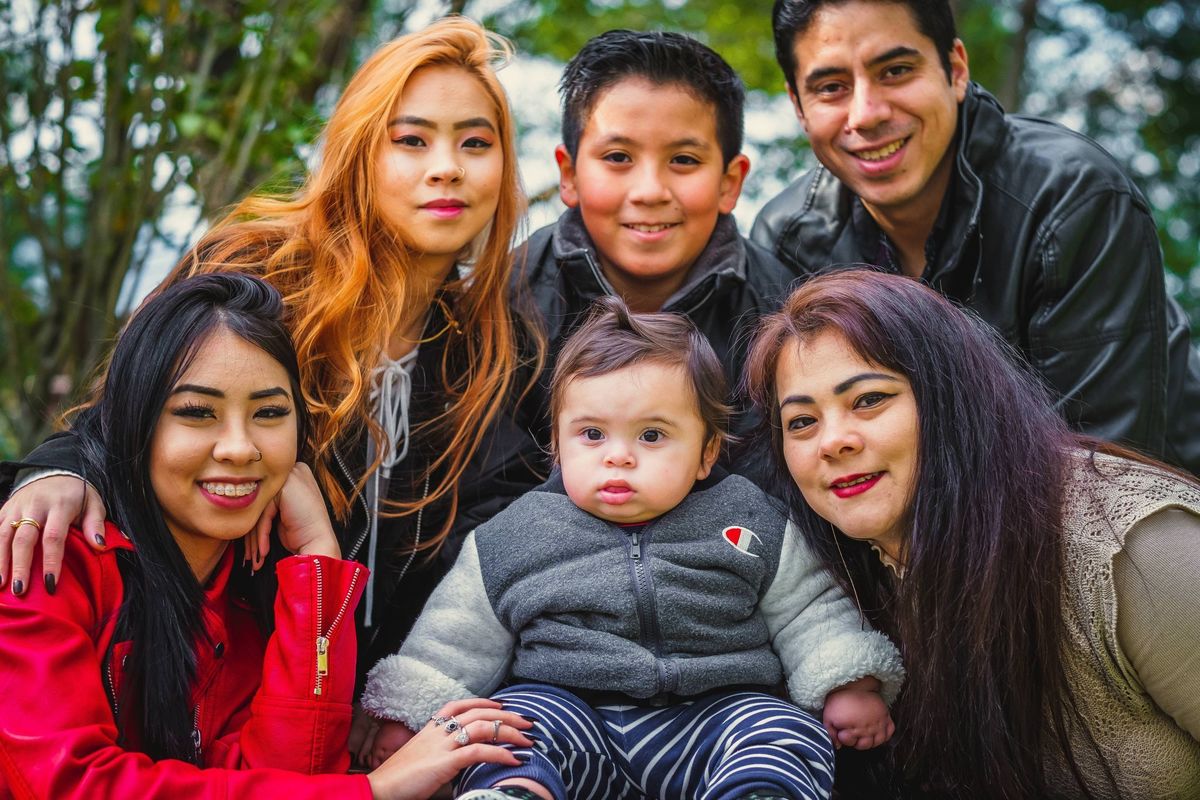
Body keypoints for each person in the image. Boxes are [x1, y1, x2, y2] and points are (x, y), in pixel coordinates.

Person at [0, 17, 540, 705]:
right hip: (205, 675)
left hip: (366, 702)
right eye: (410, 140)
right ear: (358, 153)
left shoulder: (495, 347)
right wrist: (57, 468)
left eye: (476, 142)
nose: (447, 168)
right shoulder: (257, 271)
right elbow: (128, 414)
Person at [0, 273, 534, 800]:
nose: (240, 447)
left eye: (270, 413)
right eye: (197, 412)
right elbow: (70, 784)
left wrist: (319, 559)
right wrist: (371, 792)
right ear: (136, 422)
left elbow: (287, 775)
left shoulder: (258, 577)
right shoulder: (44, 555)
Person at [358, 298, 905, 800]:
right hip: (571, 713)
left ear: (705, 453)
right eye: (592, 435)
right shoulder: (515, 535)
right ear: (557, 445)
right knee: (506, 725)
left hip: (712, 717)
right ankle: (512, 792)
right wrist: (409, 717)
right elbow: (456, 635)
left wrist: (846, 682)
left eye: (651, 436)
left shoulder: (747, 519)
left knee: (782, 728)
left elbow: (808, 610)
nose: (618, 458)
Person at [743, 269, 1200, 799]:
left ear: (951, 399)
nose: (833, 441)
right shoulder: (824, 594)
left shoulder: (1137, 548)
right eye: (801, 422)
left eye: (869, 399)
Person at [750, 0, 1200, 475]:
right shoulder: (789, 240)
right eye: (831, 88)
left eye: (896, 70)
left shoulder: (1071, 201)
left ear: (956, 69)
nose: (866, 114)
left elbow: (1103, 470)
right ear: (799, 107)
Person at [510, 29, 801, 479]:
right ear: (568, 174)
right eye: (618, 157)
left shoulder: (783, 314)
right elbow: (478, 498)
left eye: (683, 160)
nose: (649, 192)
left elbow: (791, 496)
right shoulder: (506, 302)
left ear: (730, 182)